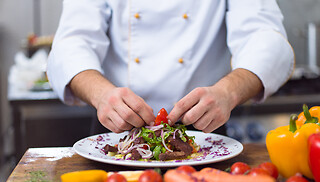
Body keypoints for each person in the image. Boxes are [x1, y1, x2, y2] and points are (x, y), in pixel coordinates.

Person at [47, 0, 294, 134]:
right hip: (117, 130)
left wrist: (228, 92)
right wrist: (101, 94)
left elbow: (265, 37)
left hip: (204, 131)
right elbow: (73, 41)